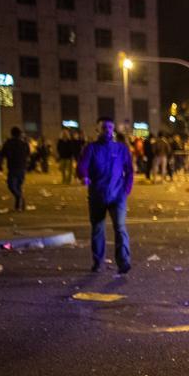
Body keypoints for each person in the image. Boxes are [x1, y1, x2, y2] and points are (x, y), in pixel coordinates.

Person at [77, 117, 134, 274]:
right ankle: (98, 261)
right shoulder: (91, 148)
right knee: (97, 229)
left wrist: (127, 188)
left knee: (120, 228)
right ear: (98, 130)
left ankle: (123, 262)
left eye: (110, 127)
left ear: (113, 129)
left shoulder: (121, 149)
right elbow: (82, 165)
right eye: (104, 128)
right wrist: (84, 176)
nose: (107, 130)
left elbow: (129, 170)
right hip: (97, 194)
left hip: (117, 195)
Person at [0, 127, 30, 211]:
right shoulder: (24, 143)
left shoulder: (9, 143)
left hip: (13, 167)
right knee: (18, 186)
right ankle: (19, 203)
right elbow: (28, 154)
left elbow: (2, 154)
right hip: (21, 167)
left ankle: (19, 199)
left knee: (11, 185)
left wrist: (0, 165)